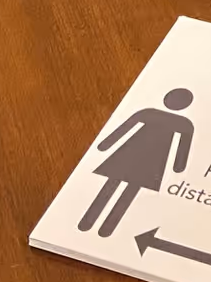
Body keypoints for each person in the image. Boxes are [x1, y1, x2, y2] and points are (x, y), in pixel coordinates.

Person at [77, 88, 194, 238]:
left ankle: (92, 224)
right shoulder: (183, 123)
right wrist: (178, 166)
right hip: (149, 160)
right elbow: (183, 148)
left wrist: (105, 145)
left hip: (136, 156)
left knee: (114, 187)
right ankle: (102, 228)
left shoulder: (151, 114)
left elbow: (124, 129)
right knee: (124, 191)